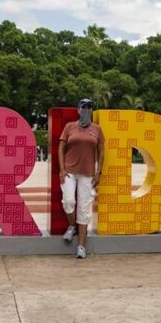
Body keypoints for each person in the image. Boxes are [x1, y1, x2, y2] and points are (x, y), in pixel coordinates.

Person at [58, 99, 104, 259]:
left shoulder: (97, 129)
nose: (86, 110)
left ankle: (81, 246)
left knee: (84, 209)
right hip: (70, 171)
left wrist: (99, 172)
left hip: (88, 173)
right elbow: (61, 147)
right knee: (68, 201)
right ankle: (72, 226)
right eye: (83, 107)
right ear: (78, 110)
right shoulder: (70, 126)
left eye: (89, 107)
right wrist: (62, 169)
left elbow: (101, 151)